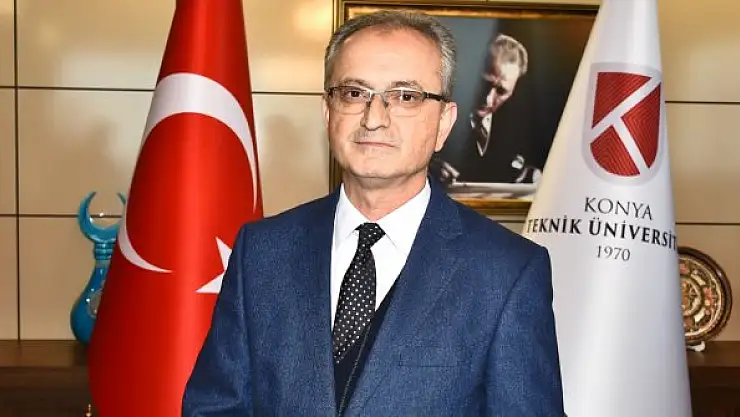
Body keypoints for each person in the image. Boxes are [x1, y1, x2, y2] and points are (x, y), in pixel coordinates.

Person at [182, 9, 564, 417]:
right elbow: (214, 408)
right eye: (354, 93)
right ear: (328, 112)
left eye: (405, 96)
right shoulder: (261, 252)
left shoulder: (507, 273)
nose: (374, 118)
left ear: (443, 123)